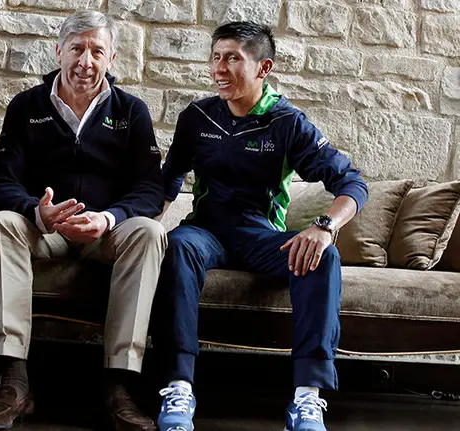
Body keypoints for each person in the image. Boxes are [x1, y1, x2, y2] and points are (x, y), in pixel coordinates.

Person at [151, 21, 368, 431]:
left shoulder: (287, 121)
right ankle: (178, 388)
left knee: (324, 256)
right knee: (175, 246)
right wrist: (140, 234)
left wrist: (325, 226)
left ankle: (307, 398)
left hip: (260, 233)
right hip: (206, 230)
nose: (219, 68)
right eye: (216, 57)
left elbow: (352, 183)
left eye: (233, 58)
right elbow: (166, 184)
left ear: (263, 67)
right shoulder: (197, 116)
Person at [0, 10, 166, 431]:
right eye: (77, 48)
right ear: (59, 51)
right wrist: (36, 213)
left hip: (105, 233)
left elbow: (150, 189)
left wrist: (110, 218)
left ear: (112, 58)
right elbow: (3, 181)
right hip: (46, 230)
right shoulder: (27, 106)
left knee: (150, 232)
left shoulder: (132, 111)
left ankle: (119, 387)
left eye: (97, 51)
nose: (86, 61)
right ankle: (12, 383)